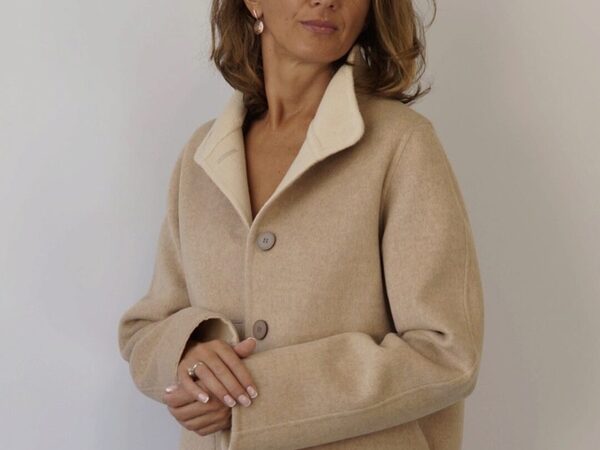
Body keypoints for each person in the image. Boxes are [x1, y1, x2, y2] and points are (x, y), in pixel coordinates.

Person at [117, 0, 485, 449]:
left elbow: (447, 353)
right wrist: (189, 357)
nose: (326, 0)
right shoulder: (203, 155)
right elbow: (146, 330)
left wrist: (251, 395)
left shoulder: (401, 146)